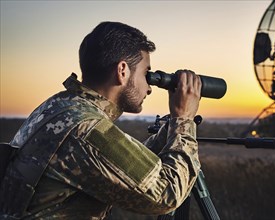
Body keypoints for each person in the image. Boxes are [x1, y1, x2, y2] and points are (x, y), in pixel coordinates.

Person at [0, 21, 202, 219]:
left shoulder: (60, 105)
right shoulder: (86, 129)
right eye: (146, 74)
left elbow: (116, 165)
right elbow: (166, 194)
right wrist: (183, 120)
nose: (149, 87)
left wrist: (169, 132)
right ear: (122, 71)